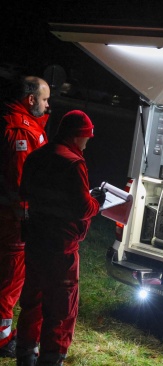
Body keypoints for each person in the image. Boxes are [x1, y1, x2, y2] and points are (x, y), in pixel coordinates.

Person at [15, 110, 106, 366]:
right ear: (79, 136)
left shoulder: (36, 156)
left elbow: (24, 191)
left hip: (35, 242)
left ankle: (26, 355)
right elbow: (82, 208)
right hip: (62, 249)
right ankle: (51, 359)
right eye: (87, 137)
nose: (88, 143)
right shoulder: (74, 163)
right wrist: (97, 203)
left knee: (33, 301)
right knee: (61, 309)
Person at [0, 76, 50, 358]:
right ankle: (2, 338)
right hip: (13, 219)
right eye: (44, 99)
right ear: (30, 99)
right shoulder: (20, 128)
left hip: (9, 215)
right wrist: (27, 214)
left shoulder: (14, 121)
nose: (47, 105)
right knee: (9, 278)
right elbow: (21, 180)